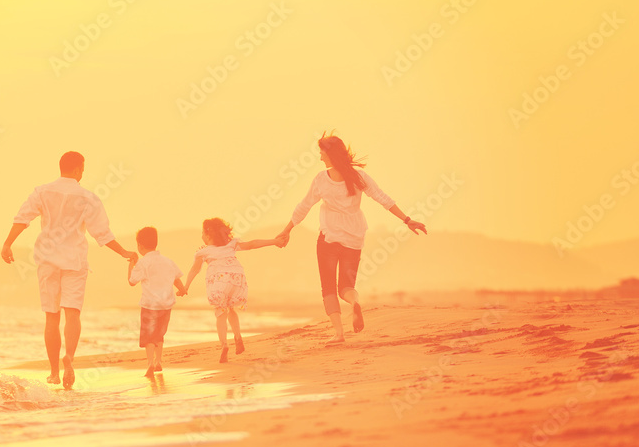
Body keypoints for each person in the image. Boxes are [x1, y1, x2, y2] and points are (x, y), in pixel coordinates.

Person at [1, 151, 138, 389]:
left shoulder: (42, 191)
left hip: (47, 260)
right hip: (74, 261)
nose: (83, 173)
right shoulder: (88, 197)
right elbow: (102, 235)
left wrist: (7, 243)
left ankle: (54, 372)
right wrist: (125, 252)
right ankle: (70, 359)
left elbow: (23, 218)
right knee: (72, 313)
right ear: (76, 169)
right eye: (82, 169)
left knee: (51, 317)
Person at [275, 132, 427, 345]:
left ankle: (339, 334)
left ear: (329, 154)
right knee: (346, 287)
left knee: (328, 288)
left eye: (321, 152)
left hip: (329, 237)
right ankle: (354, 302)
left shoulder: (321, 179)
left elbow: (304, 206)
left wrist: (287, 229)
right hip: (354, 237)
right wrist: (407, 219)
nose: (319, 157)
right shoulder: (359, 177)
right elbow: (382, 198)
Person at [184, 218, 283, 363]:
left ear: (208, 234)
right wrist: (274, 241)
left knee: (220, 313)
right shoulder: (231, 244)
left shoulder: (203, 252)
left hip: (219, 280)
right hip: (236, 278)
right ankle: (238, 337)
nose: (201, 236)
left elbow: (195, 269)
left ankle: (224, 345)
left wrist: (186, 286)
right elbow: (252, 244)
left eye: (202, 233)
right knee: (230, 308)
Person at [128, 227, 186, 378]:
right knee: (159, 334)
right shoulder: (167, 261)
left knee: (149, 336)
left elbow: (132, 281)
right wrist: (182, 289)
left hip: (150, 305)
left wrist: (131, 264)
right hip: (166, 305)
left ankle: (150, 363)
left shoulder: (143, 263)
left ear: (139, 245)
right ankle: (159, 361)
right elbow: (176, 279)